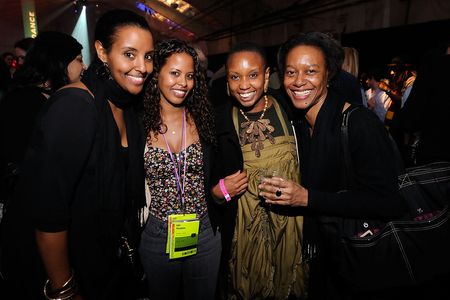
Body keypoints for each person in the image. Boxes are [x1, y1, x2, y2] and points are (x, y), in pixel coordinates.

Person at [0, 9, 154, 299]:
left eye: (148, 56)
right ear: (102, 52)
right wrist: (64, 288)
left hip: (103, 262)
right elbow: (48, 212)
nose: (142, 67)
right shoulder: (75, 105)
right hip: (64, 269)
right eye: (130, 54)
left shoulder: (127, 108)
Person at [260, 32, 406, 299]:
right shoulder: (302, 124)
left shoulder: (359, 124)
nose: (299, 81)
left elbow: (388, 202)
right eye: (291, 72)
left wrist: (308, 198)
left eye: (311, 71)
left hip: (360, 259)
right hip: (326, 255)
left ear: (328, 74)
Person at [211, 42, 308, 300]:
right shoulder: (217, 122)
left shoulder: (292, 110)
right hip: (242, 236)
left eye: (253, 75)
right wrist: (221, 192)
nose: (244, 85)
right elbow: (209, 188)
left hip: (292, 227)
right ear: (227, 81)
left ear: (266, 76)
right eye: (235, 77)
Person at [140, 39, 221, 300]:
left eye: (189, 76)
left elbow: (218, 177)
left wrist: (225, 193)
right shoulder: (137, 122)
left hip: (205, 232)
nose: (183, 83)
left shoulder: (205, 119)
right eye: (175, 73)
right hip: (157, 233)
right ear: (157, 73)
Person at [0, 31, 85, 223]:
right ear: (60, 62)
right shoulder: (23, 102)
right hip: (30, 212)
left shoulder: (53, 97)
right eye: (79, 60)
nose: (84, 66)